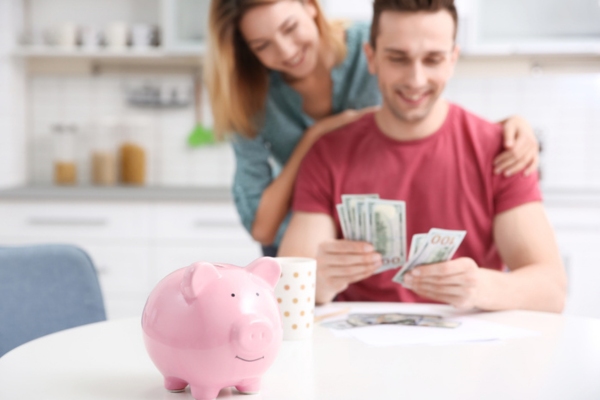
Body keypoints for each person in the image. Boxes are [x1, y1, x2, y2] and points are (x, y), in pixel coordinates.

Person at [277, 0, 566, 313]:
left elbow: (552, 290)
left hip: (468, 354)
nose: (415, 80)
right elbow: (286, 289)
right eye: (398, 58)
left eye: (433, 59)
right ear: (371, 58)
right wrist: (320, 281)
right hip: (356, 354)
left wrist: (481, 286)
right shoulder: (328, 154)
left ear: (452, 60)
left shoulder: (503, 151)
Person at [206, 0, 541, 257]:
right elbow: (263, 227)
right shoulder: (248, 96)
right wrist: (314, 137)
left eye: (290, 28)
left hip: (375, 249)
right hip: (305, 244)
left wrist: (507, 129)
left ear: (310, 6)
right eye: (262, 45)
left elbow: (426, 106)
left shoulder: (376, 45)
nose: (286, 51)